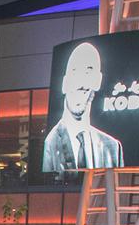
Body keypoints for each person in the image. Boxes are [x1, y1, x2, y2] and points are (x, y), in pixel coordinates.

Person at [42, 41, 124, 171]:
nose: (80, 83)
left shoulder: (113, 148)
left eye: (87, 72)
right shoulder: (49, 144)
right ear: (65, 83)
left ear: (98, 80)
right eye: (75, 71)